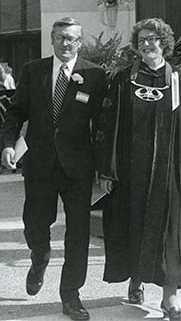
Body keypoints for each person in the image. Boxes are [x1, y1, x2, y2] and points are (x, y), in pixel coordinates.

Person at [96, 18, 181, 321]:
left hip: (171, 171)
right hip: (131, 172)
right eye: (143, 39)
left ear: (165, 43)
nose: (148, 44)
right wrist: (107, 170)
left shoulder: (180, 80)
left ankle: (169, 299)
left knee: (170, 233)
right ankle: (136, 280)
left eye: (155, 39)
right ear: (137, 44)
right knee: (133, 226)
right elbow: (109, 126)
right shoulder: (123, 79)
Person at [0, 17, 107, 321]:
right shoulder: (33, 71)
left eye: (71, 38)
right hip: (40, 163)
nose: (65, 43)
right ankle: (39, 256)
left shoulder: (94, 74)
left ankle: (71, 295)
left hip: (78, 165)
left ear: (79, 42)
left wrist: (104, 165)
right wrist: (8, 144)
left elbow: (103, 123)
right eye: (60, 37)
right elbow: (16, 112)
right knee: (35, 223)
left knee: (78, 232)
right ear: (51, 38)